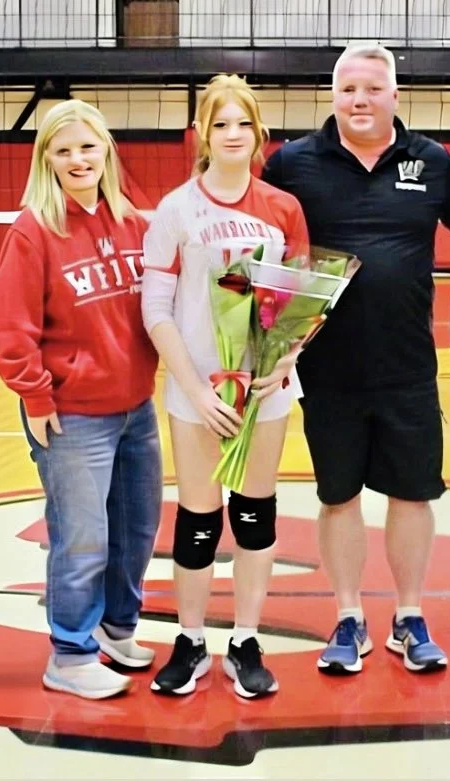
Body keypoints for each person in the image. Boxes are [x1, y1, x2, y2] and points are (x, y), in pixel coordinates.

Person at [262, 43, 450, 675]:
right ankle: (348, 616)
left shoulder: (431, 163)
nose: (360, 100)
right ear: (333, 96)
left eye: (373, 89)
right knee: (338, 497)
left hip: (408, 367)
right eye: (349, 89)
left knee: (411, 496)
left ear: (395, 95)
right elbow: (252, 237)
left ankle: (409, 615)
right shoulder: (292, 162)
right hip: (327, 371)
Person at [141, 74, 309, 699]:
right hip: (197, 393)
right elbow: (156, 309)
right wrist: (197, 389)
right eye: (220, 124)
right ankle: (189, 640)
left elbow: (297, 303)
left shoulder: (282, 208)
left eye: (243, 123)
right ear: (202, 135)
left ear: (257, 132)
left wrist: (284, 359)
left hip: (265, 390)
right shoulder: (176, 210)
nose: (233, 135)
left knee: (254, 514)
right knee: (198, 518)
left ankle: (244, 638)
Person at [0, 99, 162, 700]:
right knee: (82, 535)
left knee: (136, 528)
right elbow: (11, 328)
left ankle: (116, 630)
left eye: (88, 146)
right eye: (63, 150)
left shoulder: (136, 224)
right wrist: (36, 397)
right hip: (71, 414)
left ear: (106, 150)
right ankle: (69, 652)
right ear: (47, 160)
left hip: (135, 408)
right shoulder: (34, 230)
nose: (78, 159)